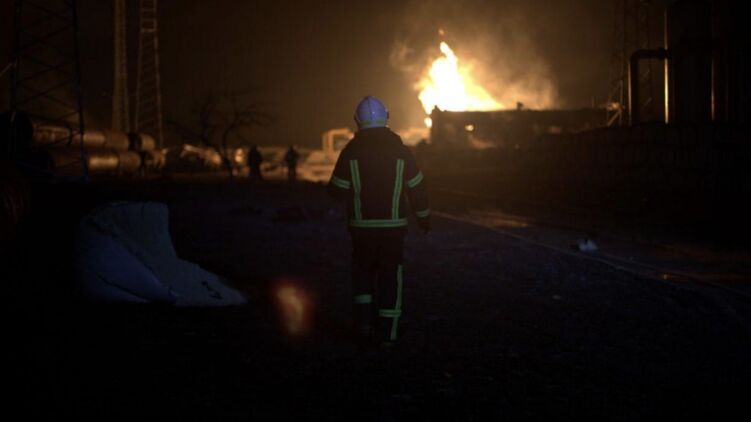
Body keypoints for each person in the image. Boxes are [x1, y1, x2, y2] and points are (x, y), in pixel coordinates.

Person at [327, 96, 430, 347]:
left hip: (361, 230)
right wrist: (424, 217)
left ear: (357, 121)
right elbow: (417, 188)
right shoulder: (402, 152)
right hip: (393, 230)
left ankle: (364, 328)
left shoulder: (349, 153)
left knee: (362, 275)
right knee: (390, 278)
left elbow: (336, 191)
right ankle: (389, 334)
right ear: (387, 117)